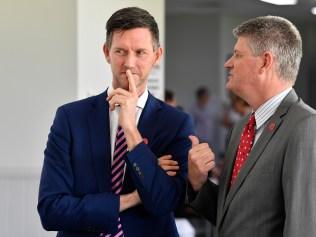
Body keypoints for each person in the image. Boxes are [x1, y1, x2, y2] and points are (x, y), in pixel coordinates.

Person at [37, 7, 194, 237]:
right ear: (106, 52)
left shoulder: (176, 123)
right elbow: (51, 210)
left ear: (157, 55)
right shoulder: (70, 118)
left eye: (140, 52)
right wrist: (132, 198)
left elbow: (164, 202)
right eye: (121, 51)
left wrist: (130, 130)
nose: (129, 63)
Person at [187, 16, 316, 237]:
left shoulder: (305, 126)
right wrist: (199, 182)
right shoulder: (241, 128)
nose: (228, 63)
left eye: (238, 55)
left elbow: (302, 227)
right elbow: (231, 215)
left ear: (265, 62)